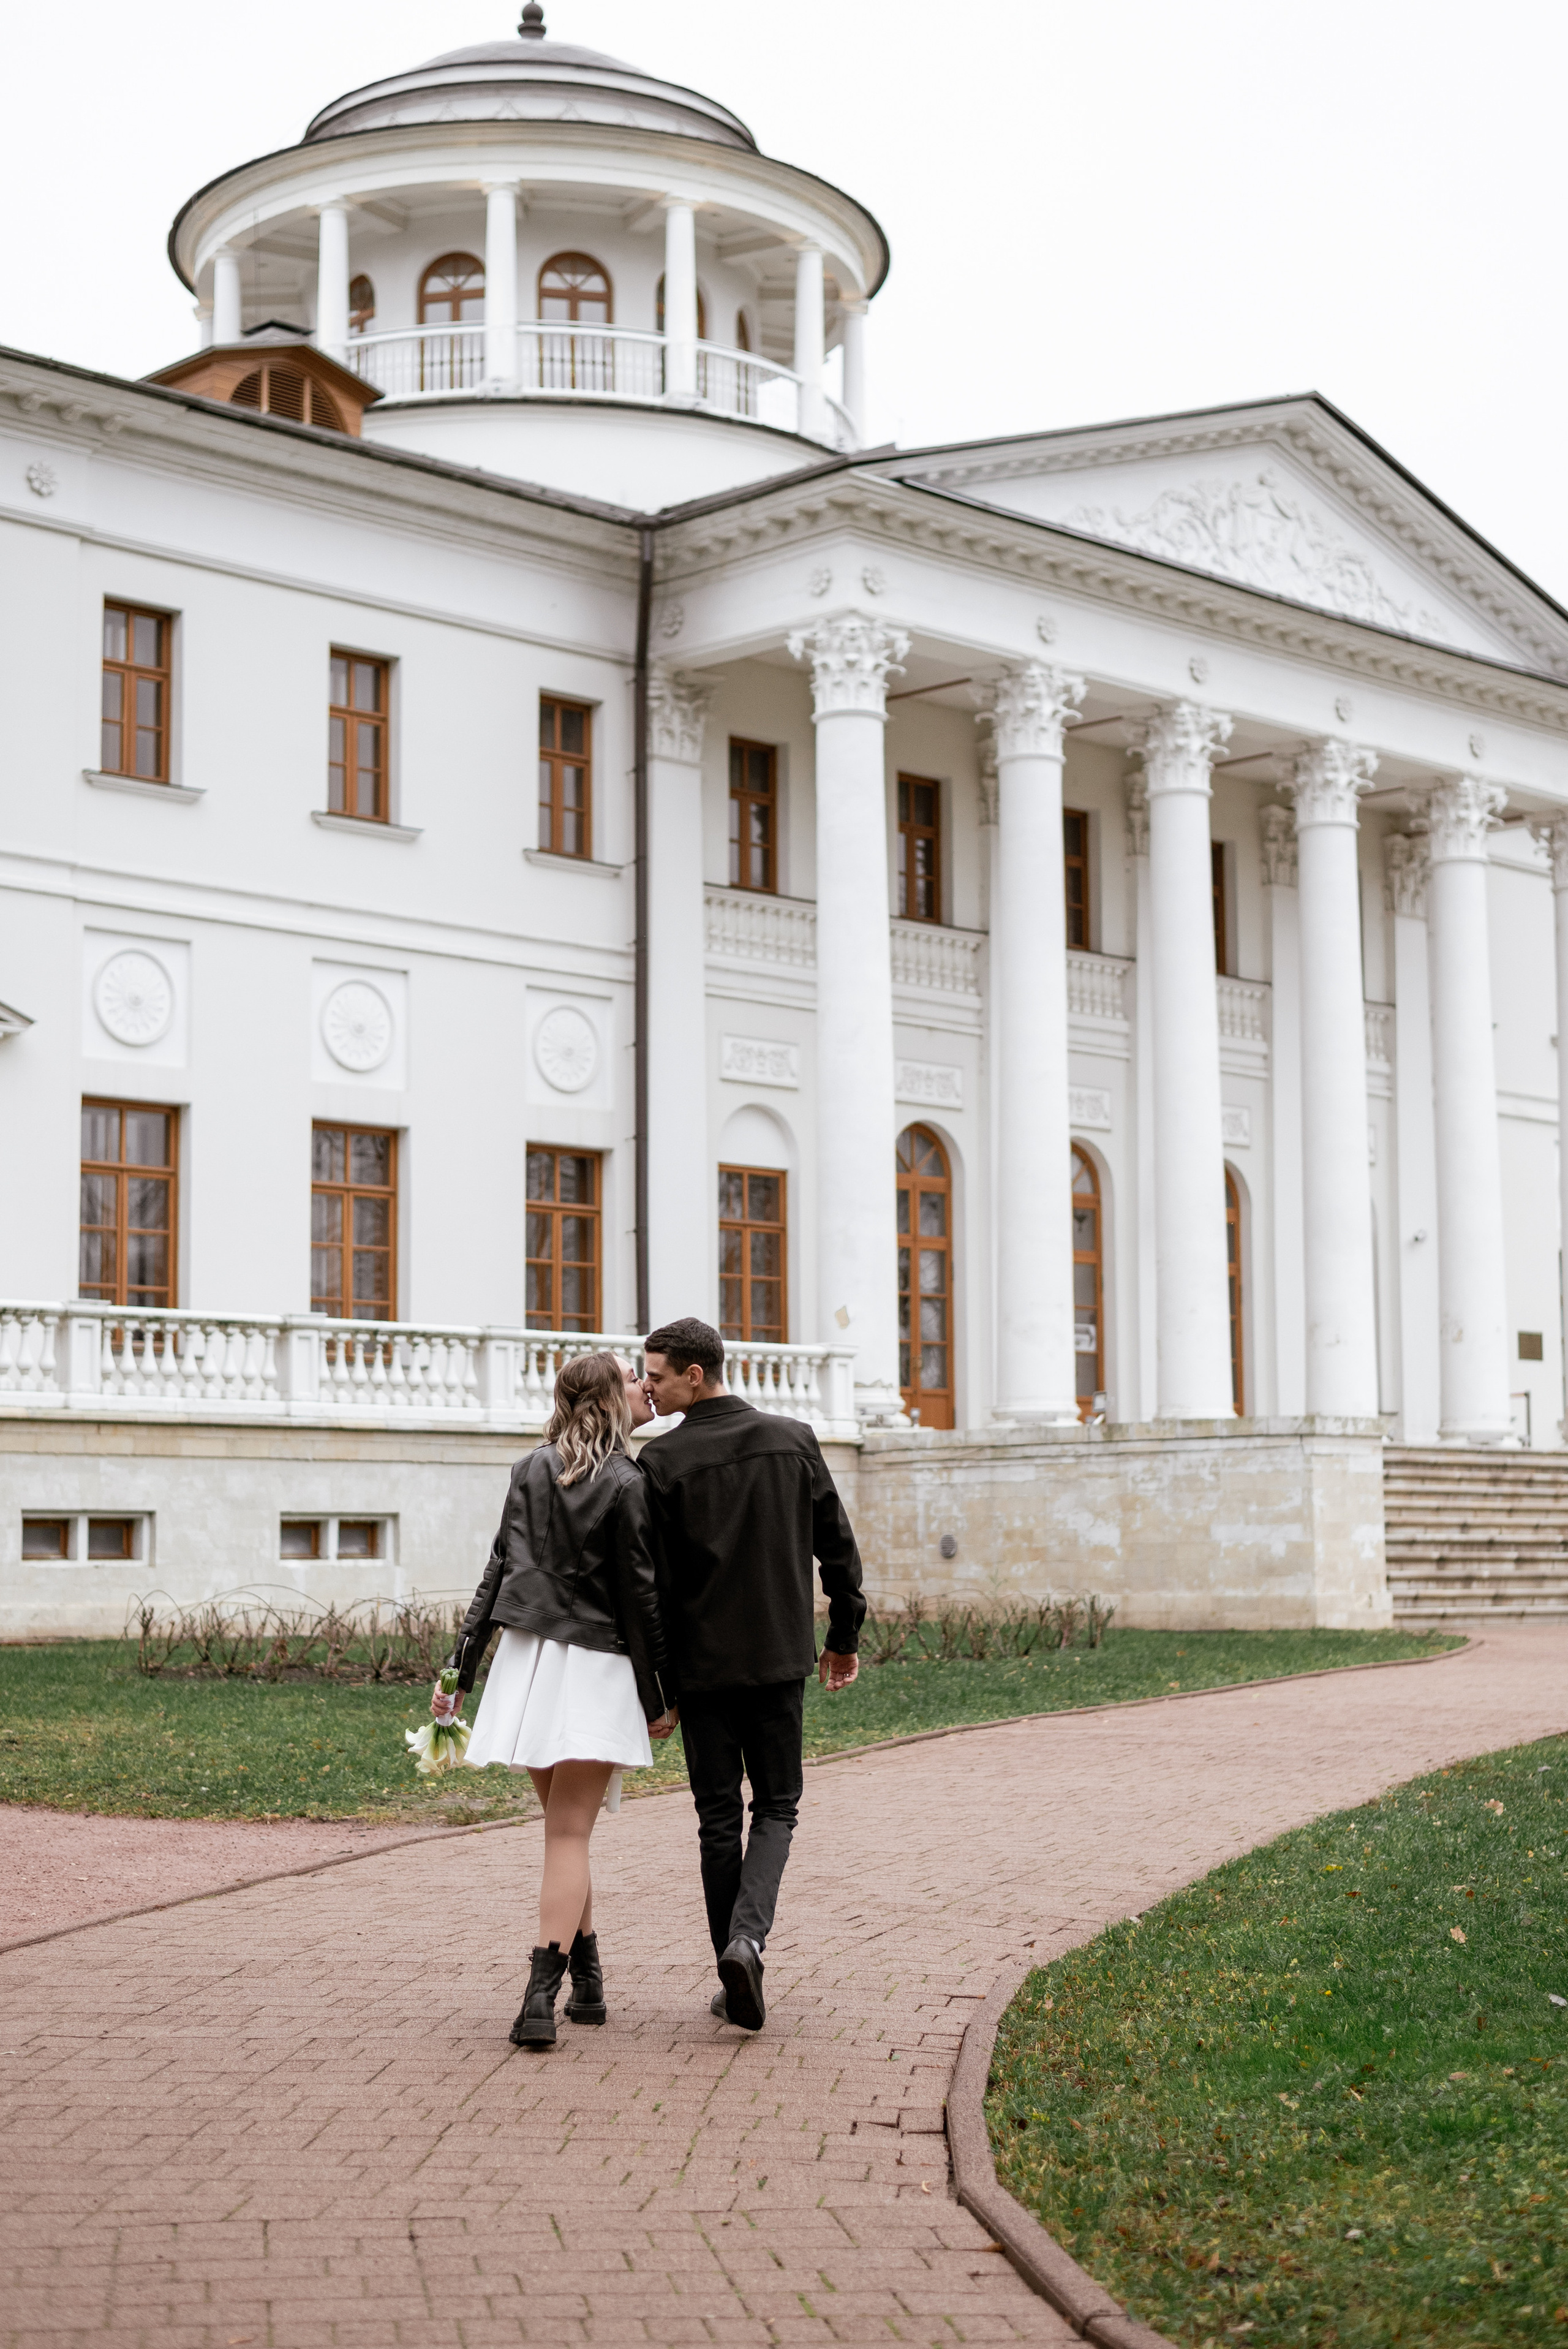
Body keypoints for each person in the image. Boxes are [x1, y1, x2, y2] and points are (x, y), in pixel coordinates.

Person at [435, 1352, 677, 2051]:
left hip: (527, 1662)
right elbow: (642, 1600)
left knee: (562, 1835)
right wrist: (659, 1696)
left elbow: (495, 1573)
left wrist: (458, 1669)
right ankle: (539, 1997)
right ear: (607, 1398)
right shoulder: (629, 1480)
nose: (643, 1388)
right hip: (594, 1668)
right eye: (633, 1380)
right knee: (568, 1836)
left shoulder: (529, 1467)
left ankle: (589, 1980)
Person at [638, 1315, 864, 2033]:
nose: (647, 1389)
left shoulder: (660, 1465)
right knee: (776, 1808)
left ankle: (731, 1964)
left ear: (694, 1376)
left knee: (715, 1819)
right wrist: (843, 1636)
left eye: (656, 1376)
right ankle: (748, 1944)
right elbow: (839, 1552)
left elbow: (654, 1591)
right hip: (776, 1662)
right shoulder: (793, 1440)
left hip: (702, 1674)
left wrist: (660, 1687)